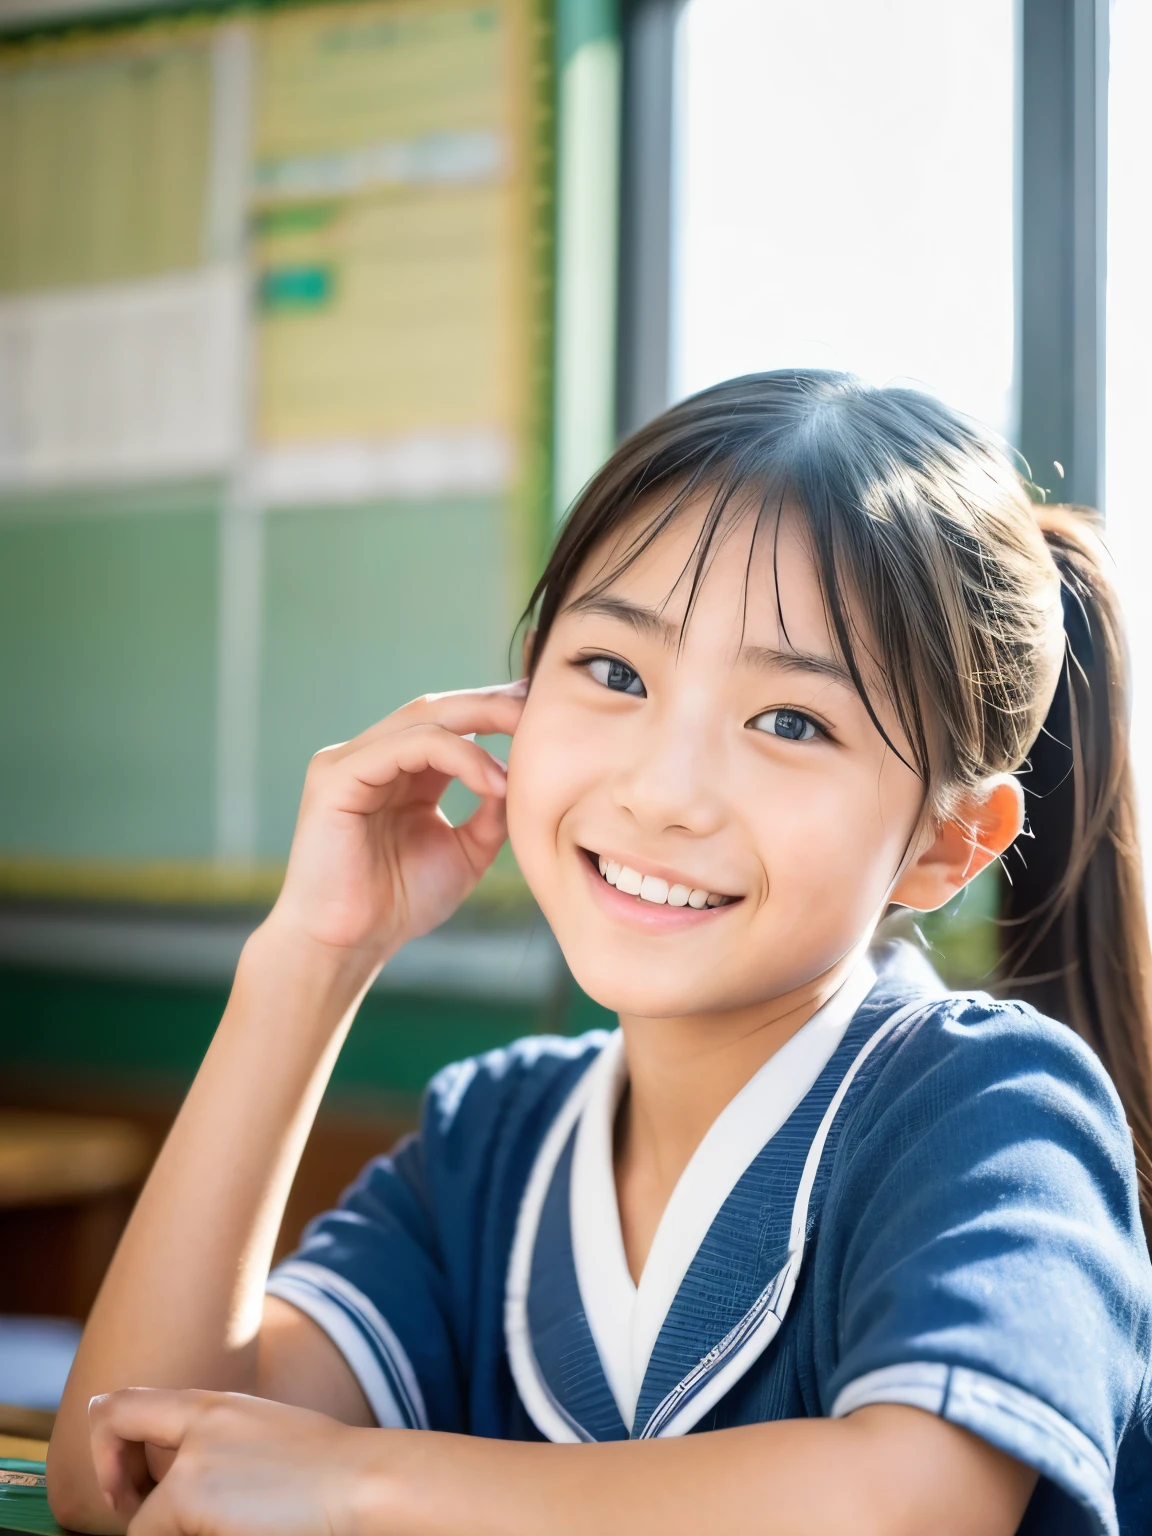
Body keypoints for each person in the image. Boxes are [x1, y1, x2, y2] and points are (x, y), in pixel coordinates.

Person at [48, 373, 1152, 1536]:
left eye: (790, 723)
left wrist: (359, 1480)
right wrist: (311, 960)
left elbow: (904, 1505)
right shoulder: (492, 1148)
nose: (663, 792)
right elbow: (127, 1472)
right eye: (615, 673)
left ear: (947, 843)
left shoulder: (987, 1109)